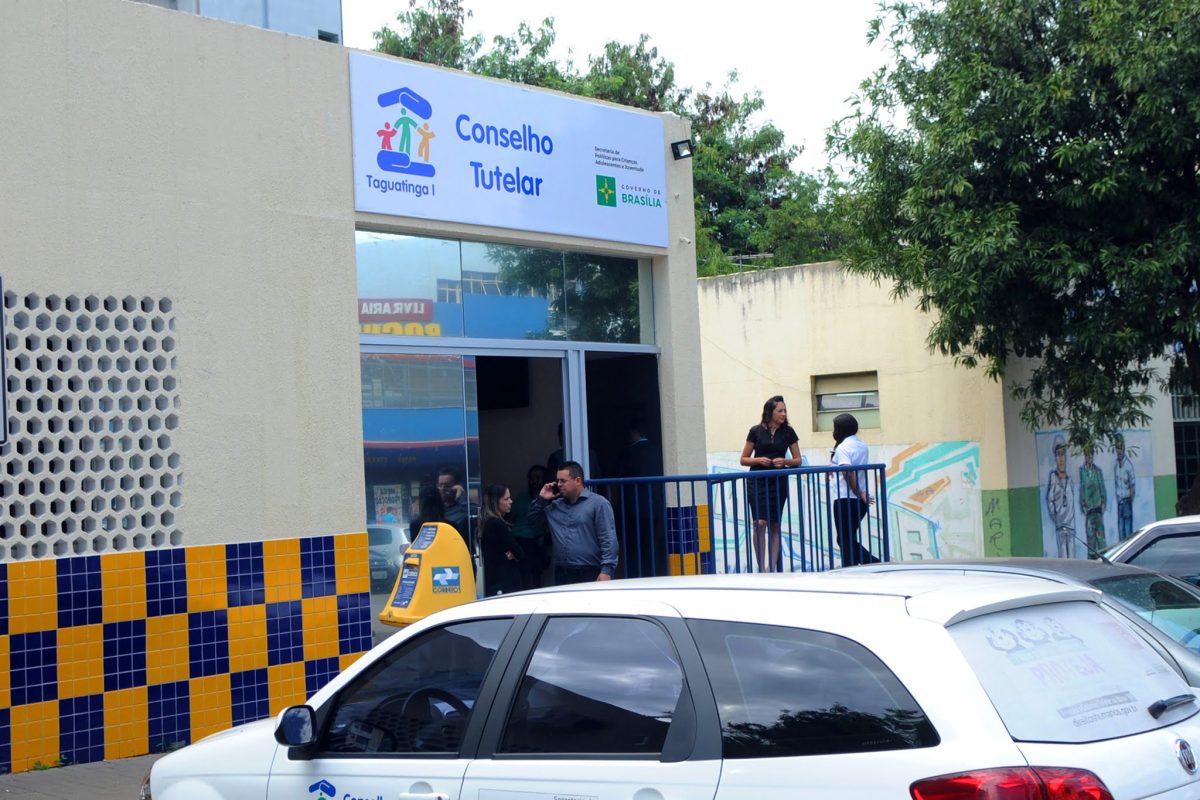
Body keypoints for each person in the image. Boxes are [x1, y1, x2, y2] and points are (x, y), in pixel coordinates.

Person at [527, 460, 618, 585]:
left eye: (563, 481)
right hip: (562, 572)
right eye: (557, 481)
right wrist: (541, 499)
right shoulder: (555, 506)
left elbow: (608, 539)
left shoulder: (598, 504)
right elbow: (533, 522)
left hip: (590, 571)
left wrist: (606, 571)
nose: (559, 484)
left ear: (578, 481)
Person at [740, 395, 801, 572]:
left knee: (774, 524)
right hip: (758, 480)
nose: (784, 414)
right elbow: (743, 459)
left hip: (778, 481)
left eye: (785, 411)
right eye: (780, 411)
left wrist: (785, 461)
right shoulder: (755, 431)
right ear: (770, 412)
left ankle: (772, 567)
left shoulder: (789, 432)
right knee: (759, 523)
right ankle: (762, 568)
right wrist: (758, 460)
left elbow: (798, 460)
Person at [618, 418, 665, 577]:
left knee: (634, 547)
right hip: (655, 506)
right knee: (651, 544)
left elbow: (622, 475)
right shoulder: (657, 451)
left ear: (634, 433)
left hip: (634, 508)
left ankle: (636, 577)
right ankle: (652, 575)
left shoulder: (630, 452)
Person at [831, 412, 878, 567]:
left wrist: (859, 491)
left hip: (845, 499)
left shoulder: (843, 447)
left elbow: (847, 472)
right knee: (847, 539)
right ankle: (851, 568)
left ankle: (874, 563)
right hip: (858, 502)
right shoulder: (862, 445)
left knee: (844, 539)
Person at [478, 483, 524, 597]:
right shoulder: (497, 524)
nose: (511, 502)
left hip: (495, 581)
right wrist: (514, 554)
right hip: (504, 583)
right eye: (506, 499)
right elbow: (519, 552)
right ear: (495, 502)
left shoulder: (486, 522)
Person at [510, 464, 548, 589]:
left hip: (539, 542)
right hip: (521, 541)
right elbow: (511, 519)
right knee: (524, 576)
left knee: (537, 575)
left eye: (539, 478)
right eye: (532, 478)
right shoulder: (521, 498)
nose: (535, 481)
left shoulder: (549, 500)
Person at [1046, 437, 1076, 558]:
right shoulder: (1053, 478)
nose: (1061, 459)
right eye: (1058, 455)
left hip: (1071, 526)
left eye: (1062, 454)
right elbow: (1050, 500)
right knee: (1063, 557)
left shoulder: (1070, 480)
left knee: (1073, 557)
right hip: (1061, 527)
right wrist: (1056, 516)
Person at [1078, 443, 1107, 554]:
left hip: (1098, 511)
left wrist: (1103, 502)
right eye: (1087, 455)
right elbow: (1082, 488)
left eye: (1091, 455)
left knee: (1101, 542)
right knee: (1091, 544)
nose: (1089, 458)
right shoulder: (1083, 472)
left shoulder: (1097, 471)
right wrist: (1083, 505)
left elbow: (1102, 487)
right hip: (1089, 512)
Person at [437, 466, 471, 551]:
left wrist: (461, 496)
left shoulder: (464, 508)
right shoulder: (436, 508)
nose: (442, 489)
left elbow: (470, 516)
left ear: (457, 486)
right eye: (440, 485)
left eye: (447, 486)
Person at [1113, 434, 1136, 541]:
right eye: (1117, 448)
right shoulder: (1116, 466)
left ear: (1124, 448)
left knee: (1128, 534)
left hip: (1127, 502)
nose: (1119, 451)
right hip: (1120, 503)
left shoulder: (1128, 466)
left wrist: (1129, 501)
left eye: (1121, 447)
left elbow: (1132, 487)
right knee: (1121, 535)